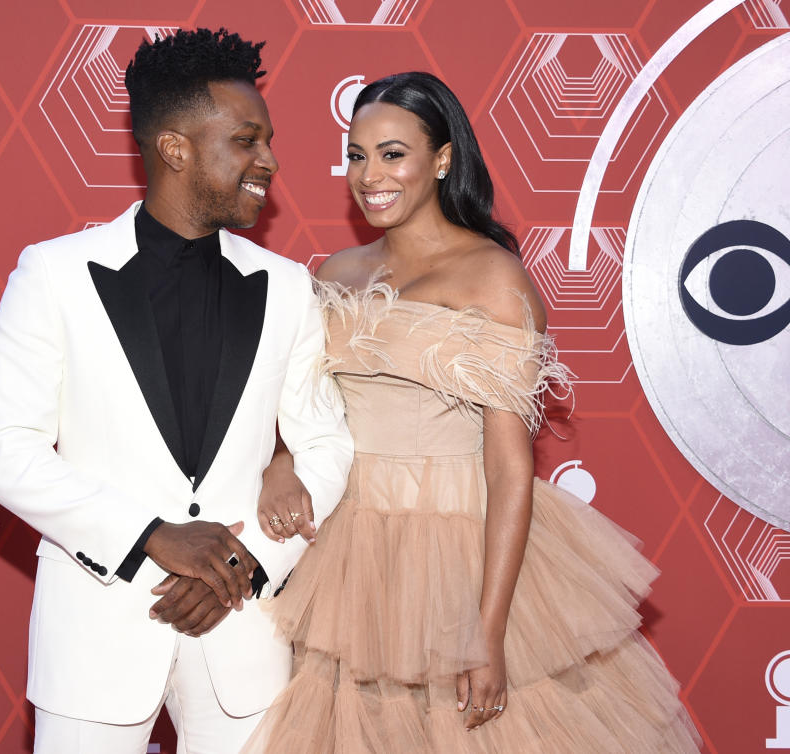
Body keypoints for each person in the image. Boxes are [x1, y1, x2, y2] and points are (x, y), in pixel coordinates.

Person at [245, 71, 701, 752]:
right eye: (358, 154)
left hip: (458, 546)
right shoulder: (333, 273)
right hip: (345, 553)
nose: (371, 175)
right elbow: (308, 408)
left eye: (393, 153)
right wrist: (281, 460)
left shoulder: (494, 278)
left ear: (443, 157)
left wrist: (486, 632)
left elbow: (510, 467)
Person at [0, 29, 353, 754]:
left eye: (266, 140)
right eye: (246, 141)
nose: (269, 161)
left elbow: (326, 442)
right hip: (97, 633)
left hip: (242, 636)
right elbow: (1, 449)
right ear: (175, 148)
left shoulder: (288, 288)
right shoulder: (55, 274)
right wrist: (151, 539)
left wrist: (245, 570)